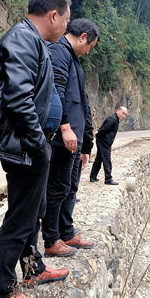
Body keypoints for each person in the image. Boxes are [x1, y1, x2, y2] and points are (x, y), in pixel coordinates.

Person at [0, 0, 71, 298]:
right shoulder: (22, 39)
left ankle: (32, 269)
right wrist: (38, 145)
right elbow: (18, 98)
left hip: (30, 145)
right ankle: (3, 293)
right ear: (54, 15)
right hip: (24, 146)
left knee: (33, 213)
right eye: (66, 20)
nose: (66, 27)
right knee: (20, 217)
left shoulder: (32, 40)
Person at [42, 19, 99, 258]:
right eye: (90, 46)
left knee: (69, 187)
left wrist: (86, 145)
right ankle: (51, 239)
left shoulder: (74, 61)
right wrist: (64, 127)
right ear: (83, 36)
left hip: (74, 141)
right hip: (62, 138)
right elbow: (56, 91)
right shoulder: (59, 52)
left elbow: (83, 105)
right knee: (57, 188)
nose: (88, 52)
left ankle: (66, 232)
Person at [90, 106, 128, 185]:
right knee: (106, 160)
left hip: (104, 141)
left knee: (98, 159)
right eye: (122, 113)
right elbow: (104, 129)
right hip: (104, 142)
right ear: (118, 110)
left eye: (125, 114)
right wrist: (97, 134)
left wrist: (98, 133)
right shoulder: (113, 119)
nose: (123, 115)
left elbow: (104, 128)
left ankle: (93, 176)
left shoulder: (115, 119)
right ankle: (108, 179)